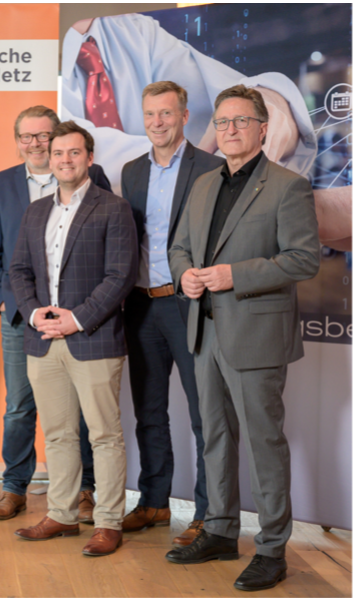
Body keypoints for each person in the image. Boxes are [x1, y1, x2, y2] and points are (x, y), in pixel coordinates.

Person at [166, 85, 320, 592]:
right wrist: (185, 275)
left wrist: (236, 275)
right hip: (204, 329)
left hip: (256, 334)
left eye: (241, 121)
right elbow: (179, 247)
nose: (230, 130)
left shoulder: (288, 186)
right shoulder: (203, 184)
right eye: (223, 122)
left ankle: (272, 549)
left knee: (264, 443)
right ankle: (219, 531)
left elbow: (303, 259)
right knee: (213, 437)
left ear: (262, 128)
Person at [61, 12, 350, 252]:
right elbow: (94, 164)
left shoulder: (128, 28)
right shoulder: (43, 53)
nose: (157, 122)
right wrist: (304, 212)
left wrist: (272, 103)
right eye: (150, 115)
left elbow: (226, 98)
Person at [9, 121, 137, 557]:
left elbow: (120, 276)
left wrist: (77, 319)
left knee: (104, 436)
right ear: (49, 158)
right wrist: (35, 314)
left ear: (89, 157)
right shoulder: (35, 211)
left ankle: (108, 521)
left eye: (74, 152)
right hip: (44, 339)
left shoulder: (113, 208)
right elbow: (19, 271)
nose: (65, 160)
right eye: (58, 153)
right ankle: (62, 514)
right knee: (58, 434)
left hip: (93, 338)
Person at [0, 106, 112, 523]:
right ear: (17, 141)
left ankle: (85, 490)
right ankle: (14, 487)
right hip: (22, 315)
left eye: (44, 136)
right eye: (27, 136)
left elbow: (107, 246)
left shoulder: (92, 176)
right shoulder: (0, 183)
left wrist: (87, 310)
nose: (36, 144)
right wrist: (6, 301)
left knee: (83, 410)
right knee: (19, 405)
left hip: (77, 315)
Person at [120, 81, 225, 546]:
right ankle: (154, 501)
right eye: (150, 114)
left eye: (166, 113)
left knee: (206, 414)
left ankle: (208, 513)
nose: (157, 122)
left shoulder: (212, 168)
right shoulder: (131, 171)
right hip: (142, 305)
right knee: (149, 411)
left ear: (184, 116)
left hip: (192, 305)